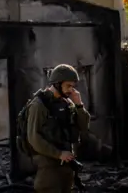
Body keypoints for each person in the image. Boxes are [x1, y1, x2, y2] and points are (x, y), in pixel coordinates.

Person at [26, 64, 91, 193]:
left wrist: (79, 105)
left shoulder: (68, 103)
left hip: (67, 164)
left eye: (73, 86)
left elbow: (83, 126)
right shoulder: (39, 105)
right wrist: (58, 154)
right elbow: (33, 137)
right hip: (49, 166)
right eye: (68, 86)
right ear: (57, 84)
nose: (71, 90)